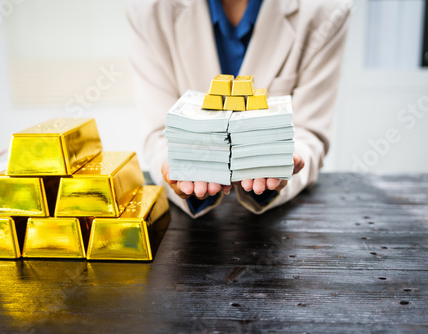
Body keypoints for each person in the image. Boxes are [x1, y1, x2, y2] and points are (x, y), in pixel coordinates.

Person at [127, 0, 352, 218]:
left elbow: (309, 132)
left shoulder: (326, 9)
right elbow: (159, 131)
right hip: (191, 221)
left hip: (277, 218)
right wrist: (177, 168)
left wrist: (280, 165)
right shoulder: (148, 10)